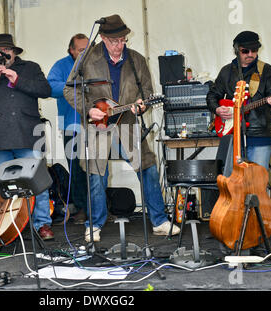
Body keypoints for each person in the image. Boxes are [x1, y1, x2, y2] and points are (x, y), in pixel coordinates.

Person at [63, 14, 180, 242]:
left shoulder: (136, 60)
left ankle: (160, 221)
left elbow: (145, 92)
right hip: (98, 125)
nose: (120, 45)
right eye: (114, 41)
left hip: (127, 122)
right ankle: (94, 224)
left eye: (123, 40)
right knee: (96, 174)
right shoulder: (87, 58)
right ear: (104, 38)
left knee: (147, 168)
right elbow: (70, 90)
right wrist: (88, 109)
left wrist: (141, 106)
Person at [0, 33, 55, 240]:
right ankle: (8, 226)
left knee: (37, 181)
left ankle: (42, 224)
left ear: (14, 52)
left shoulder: (31, 68)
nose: (3, 54)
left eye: (7, 50)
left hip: (27, 133)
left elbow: (45, 89)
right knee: (4, 185)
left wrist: (18, 80)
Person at [207, 31, 271, 170]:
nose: (250, 54)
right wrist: (217, 109)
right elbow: (212, 96)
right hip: (232, 135)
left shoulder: (266, 70)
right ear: (237, 50)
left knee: (256, 183)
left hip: (259, 134)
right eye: (245, 51)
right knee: (232, 183)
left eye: (254, 50)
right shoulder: (226, 72)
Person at [47, 33, 89, 224]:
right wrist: (74, 86)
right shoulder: (61, 66)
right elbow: (50, 87)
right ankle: (81, 209)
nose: (85, 53)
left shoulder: (94, 64)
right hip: (71, 126)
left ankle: (99, 209)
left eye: (87, 49)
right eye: (81, 50)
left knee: (98, 169)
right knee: (77, 170)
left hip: (97, 125)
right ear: (71, 50)